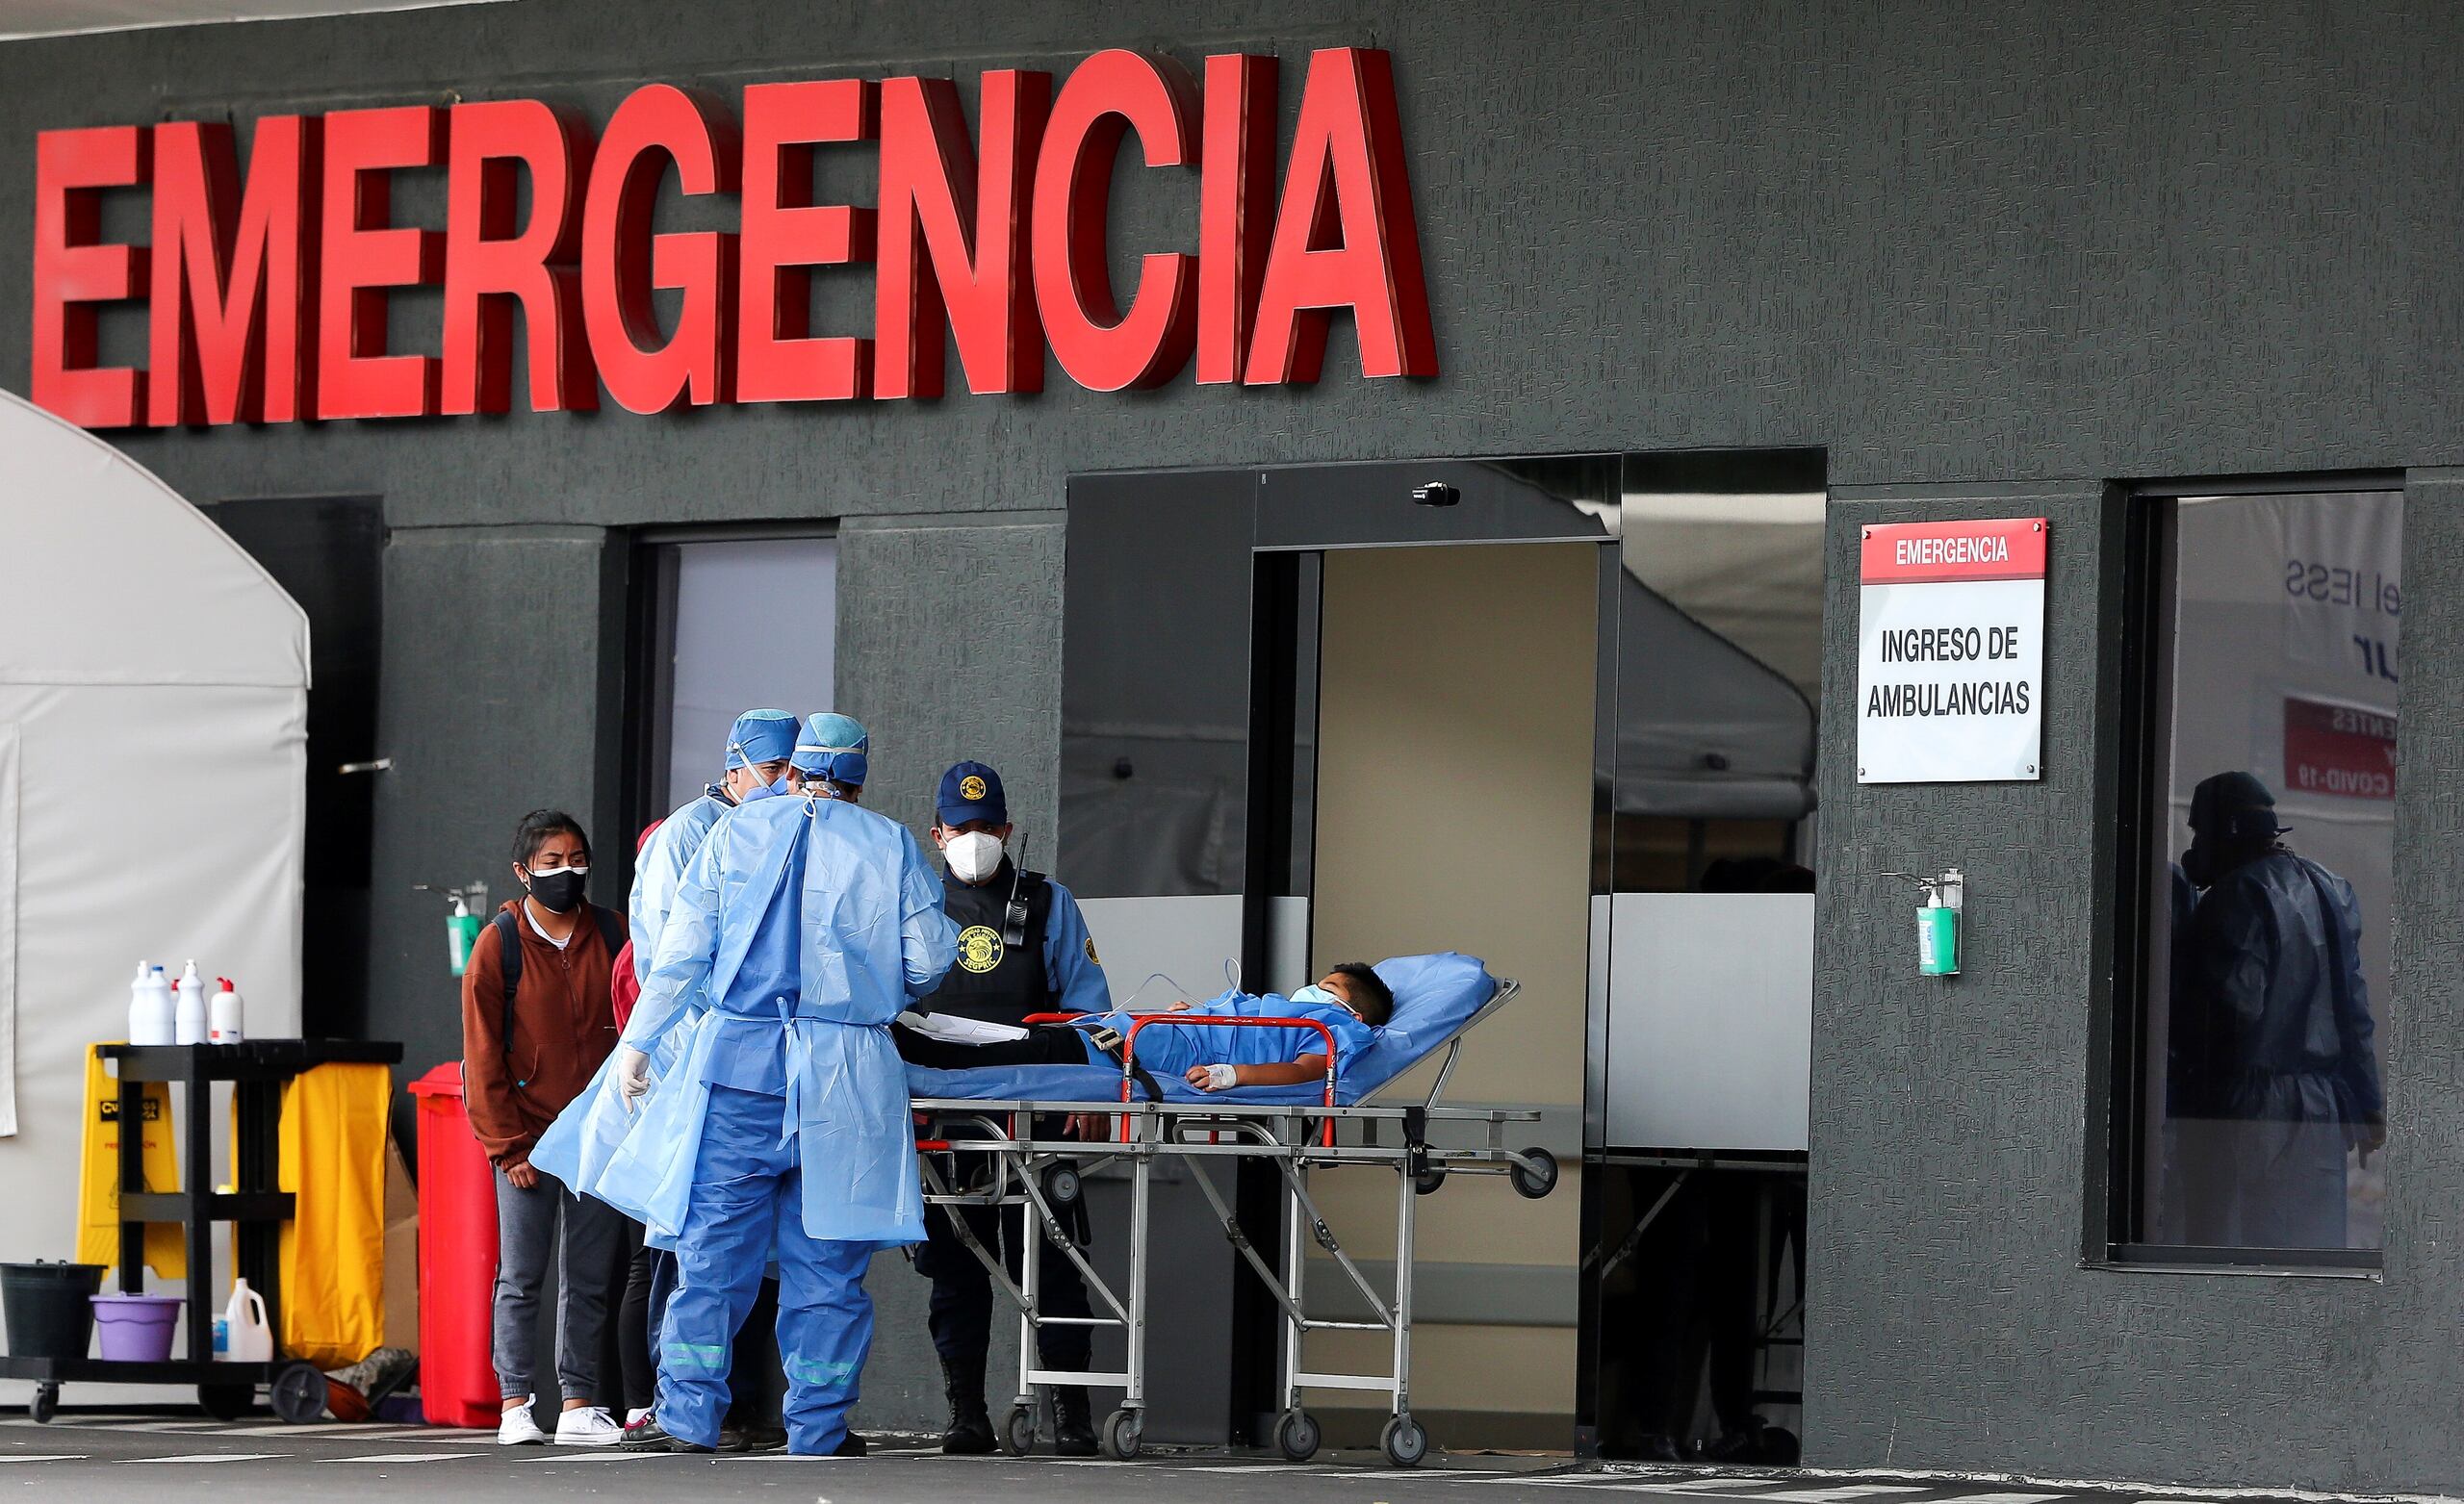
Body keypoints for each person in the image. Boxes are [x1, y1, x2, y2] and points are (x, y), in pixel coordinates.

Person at [609, 713, 958, 1456]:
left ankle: (689, 1415)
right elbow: (929, 956)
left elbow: (679, 954)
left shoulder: (730, 834)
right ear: (859, 780)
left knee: (711, 1253)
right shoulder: (890, 842)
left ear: (793, 769)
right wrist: (876, 992)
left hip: (741, 1067)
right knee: (828, 1263)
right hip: (848, 1078)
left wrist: (637, 1044)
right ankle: (819, 1427)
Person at [894, 761, 1112, 1456]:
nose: (976, 838)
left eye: (988, 827)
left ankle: (1069, 1411)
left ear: (1009, 830)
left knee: (1054, 1261)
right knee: (954, 1269)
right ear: (937, 833)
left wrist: (1094, 1093)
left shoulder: (1050, 903)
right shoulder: (912, 902)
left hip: (1036, 1111)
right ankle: (966, 1410)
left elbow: (1089, 1009)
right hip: (942, 1114)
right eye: (962, 827)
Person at [619, 709, 800, 1447]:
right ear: (736, 766)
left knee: (760, 1249)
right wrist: (656, 1044)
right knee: (691, 1243)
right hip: (699, 1056)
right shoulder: (690, 835)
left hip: (769, 1065)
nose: (790, 782)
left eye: (799, 768)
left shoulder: (796, 832)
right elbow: (673, 953)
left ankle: (742, 1402)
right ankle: (675, 1403)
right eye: (778, 768)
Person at [460, 808, 629, 1447]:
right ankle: (515, 1403)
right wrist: (507, 1148)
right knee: (522, 1274)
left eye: (576, 857)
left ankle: (580, 1403)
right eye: (552, 861)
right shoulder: (498, 944)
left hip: (597, 1137)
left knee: (588, 1275)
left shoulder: (614, 933)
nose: (568, 871)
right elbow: (481, 1056)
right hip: (526, 1140)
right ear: (522, 870)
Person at [2172, 771, 2385, 1250]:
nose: (2195, 848)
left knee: (2232, 1259)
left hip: (2248, 1111)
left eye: (2200, 833)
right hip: (2324, 1109)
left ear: (2225, 833)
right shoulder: (2331, 887)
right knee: (2310, 1259)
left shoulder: (2235, 898)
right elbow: (2355, 1010)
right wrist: (2368, 1104)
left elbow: (2229, 1017)